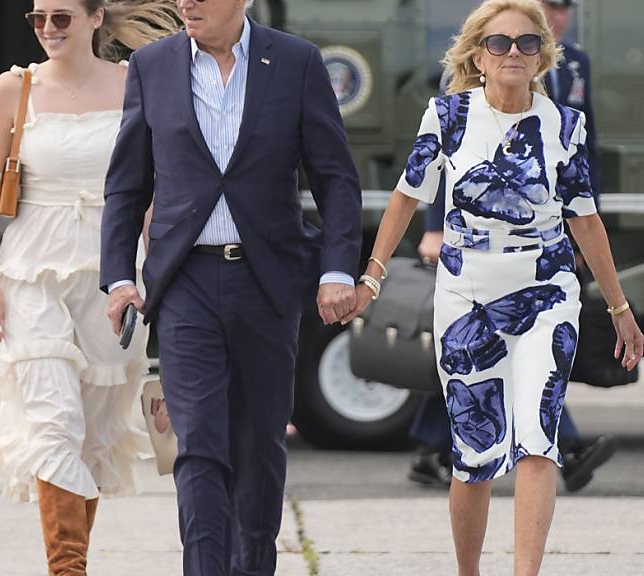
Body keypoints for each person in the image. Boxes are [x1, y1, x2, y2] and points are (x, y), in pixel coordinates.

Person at [344, 1, 643, 574]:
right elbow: (406, 197)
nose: (513, 53)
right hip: (467, 297)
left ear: (542, 56)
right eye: (499, 43)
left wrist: (619, 307)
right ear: (478, 56)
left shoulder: (564, 126)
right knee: (475, 454)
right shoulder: (448, 116)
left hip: (547, 293)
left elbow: (585, 220)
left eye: (527, 43)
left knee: (538, 440)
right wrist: (372, 276)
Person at [101, 0, 363, 574]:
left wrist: (338, 270)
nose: (186, 3)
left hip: (266, 281)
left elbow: (336, 178)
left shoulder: (295, 61)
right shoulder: (151, 66)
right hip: (184, 283)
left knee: (259, 444)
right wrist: (119, 278)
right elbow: (126, 184)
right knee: (197, 443)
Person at [0, 1, 178, 573]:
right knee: (52, 419)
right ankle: (68, 570)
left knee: (91, 434)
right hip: (31, 269)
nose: (48, 29)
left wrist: (161, 276)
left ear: (95, 18)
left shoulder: (135, 83)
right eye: (38, 18)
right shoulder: (14, 88)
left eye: (61, 17)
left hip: (114, 272)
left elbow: (153, 190)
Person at [407, 0, 614, 494]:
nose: (558, 13)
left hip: (542, 246)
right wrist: (435, 228)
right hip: (477, 249)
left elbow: (584, 154)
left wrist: (582, 226)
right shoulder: (484, 58)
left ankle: (547, 446)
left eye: (565, 6)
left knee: (532, 360)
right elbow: (447, 161)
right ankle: (445, 448)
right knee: (477, 357)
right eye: (550, 4)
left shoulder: (574, 64)